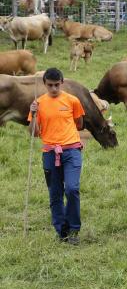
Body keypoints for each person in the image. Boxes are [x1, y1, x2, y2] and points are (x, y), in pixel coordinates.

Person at [28, 68, 85, 245]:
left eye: (56, 85)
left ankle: (73, 228)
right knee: (55, 194)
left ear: (62, 83)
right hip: (50, 153)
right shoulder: (38, 103)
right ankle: (62, 232)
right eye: (50, 85)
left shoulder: (72, 100)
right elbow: (33, 133)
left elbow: (79, 124)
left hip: (72, 150)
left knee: (72, 189)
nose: (53, 88)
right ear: (44, 84)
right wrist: (34, 114)